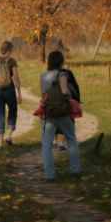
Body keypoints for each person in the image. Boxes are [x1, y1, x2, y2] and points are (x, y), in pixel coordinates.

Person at [38, 50, 82, 180]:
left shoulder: (43, 76)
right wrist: (69, 94)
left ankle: (49, 174)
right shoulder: (62, 74)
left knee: (46, 145)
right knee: (71, 139)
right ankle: (75, 170)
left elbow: (43, 95)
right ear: (61, 61)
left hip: (48, 113)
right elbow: (64, 91)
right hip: (62, 112)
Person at [0, 41, 22, 147]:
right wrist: (19, 93)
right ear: (9, 50)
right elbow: (16, 77)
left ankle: (0, 141)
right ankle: (9, 134)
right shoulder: (12, 61)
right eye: (11, 49)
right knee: (13, 110)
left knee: (0, 113)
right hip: (9, 90)